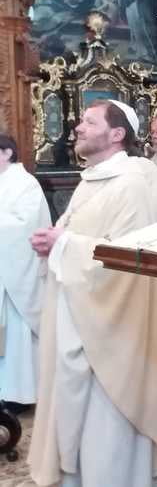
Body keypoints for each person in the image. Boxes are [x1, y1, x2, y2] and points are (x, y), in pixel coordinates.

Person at [27, 100, 157, 485]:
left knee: (109, 425)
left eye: (89, 121)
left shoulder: (132, 184)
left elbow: (130, 259)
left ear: (117, 134)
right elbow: (81, 236)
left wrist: (64, 244)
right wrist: (56, 241)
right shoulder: (94, 179)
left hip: (116, 330)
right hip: (80, 316)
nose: (77, 127)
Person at [0, 134, 50, 409]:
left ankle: (18, 396)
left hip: (15, 276)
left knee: (16, 337)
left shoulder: (25, 183)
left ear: (7, 152)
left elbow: (26, 227)